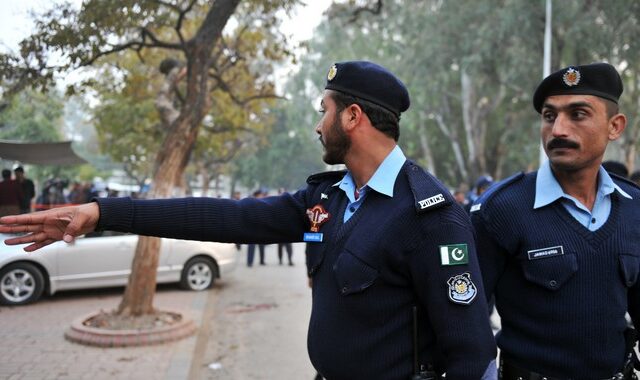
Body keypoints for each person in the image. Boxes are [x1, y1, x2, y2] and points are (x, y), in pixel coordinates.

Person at [0, 61, 497, 379]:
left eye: (323, 111)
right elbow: (226, 217)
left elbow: (472, 354)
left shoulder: (430, 215)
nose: (317, 124)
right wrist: (104, 212)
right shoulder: (330, 197)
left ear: (352, 118)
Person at [470, 63, 639, 379]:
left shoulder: (634, 208)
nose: (558, 130)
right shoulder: (502, 209)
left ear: (614, 126)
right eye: (550, 116)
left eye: (578, 114)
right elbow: (467, 317)